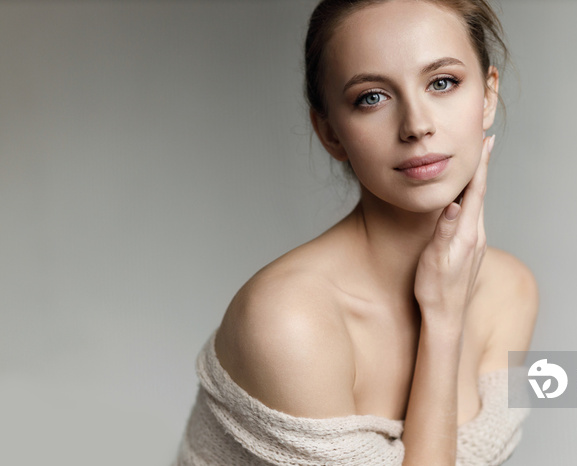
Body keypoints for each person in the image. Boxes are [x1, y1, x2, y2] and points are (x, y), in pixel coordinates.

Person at [175, 0, 538, 464]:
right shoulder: (288, 320)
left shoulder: (512, 291)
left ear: (488, 96)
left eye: (442, 82)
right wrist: (444, 321)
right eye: (372, 97)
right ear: (329, 133)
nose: (417, 125)